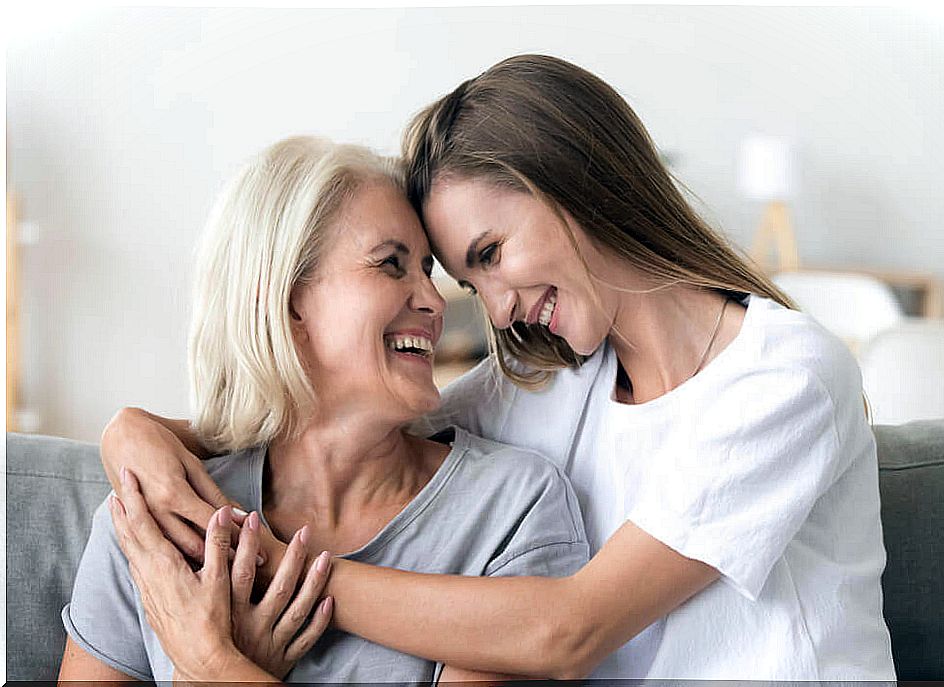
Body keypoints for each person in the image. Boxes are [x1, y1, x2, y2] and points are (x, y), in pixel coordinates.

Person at [99, 55, 896, 680]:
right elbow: (338, 413)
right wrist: (135, 431)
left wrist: (269, 568)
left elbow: (570, 630)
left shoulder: (784, 375)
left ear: (575, 180)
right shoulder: (562, 381)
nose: (495, 307)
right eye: (470, 281)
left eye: (491, 254)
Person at [57, 136, 588, 683]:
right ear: (287, 302)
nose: (432, 301)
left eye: (427, 270)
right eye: (391, 265)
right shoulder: (158, 517)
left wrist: (214, 668)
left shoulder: (508, 510)